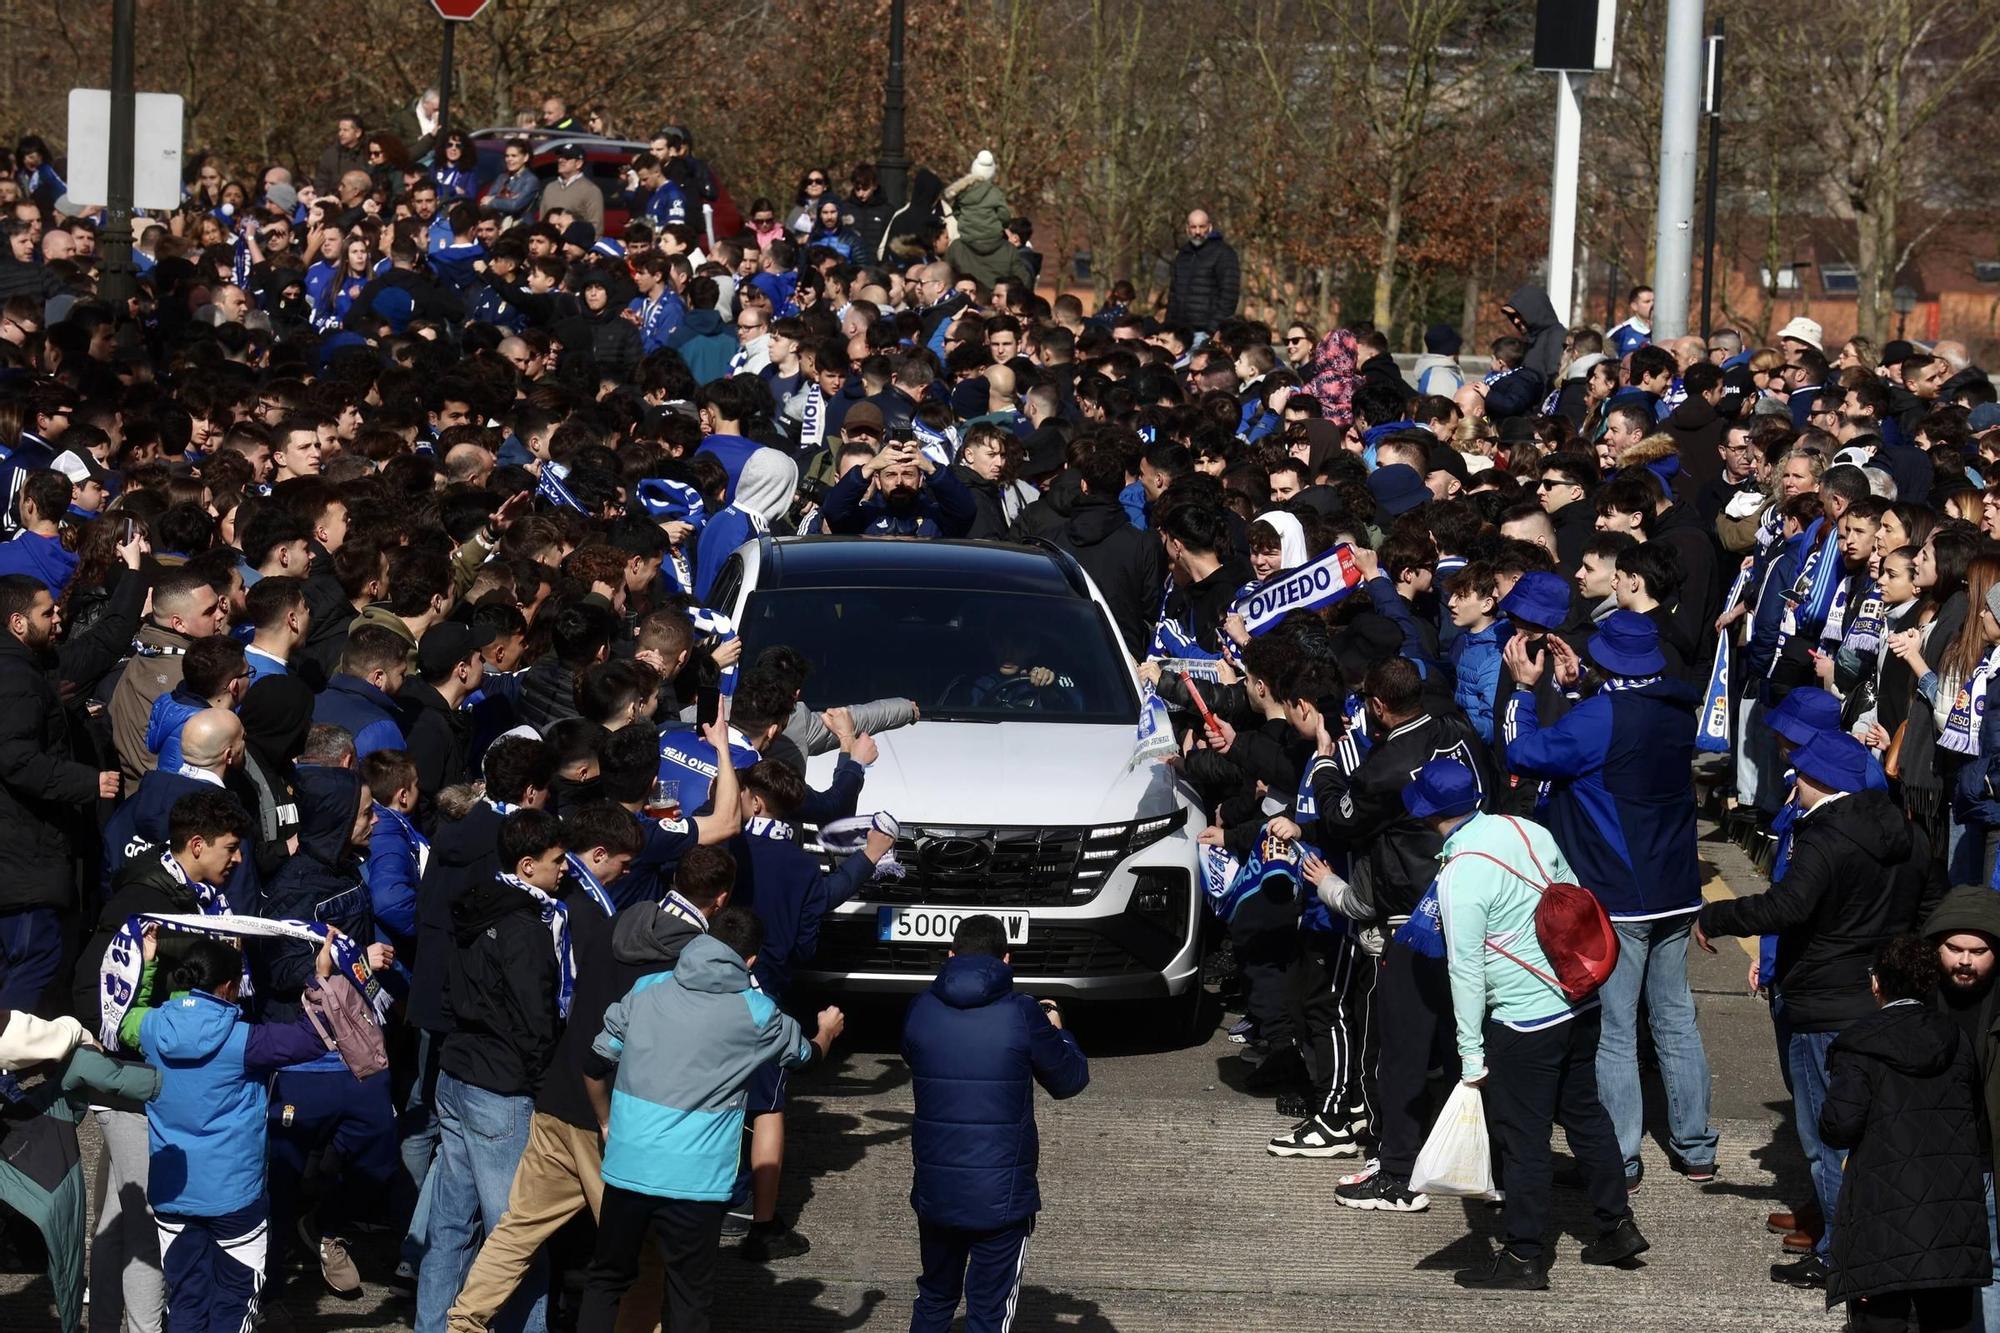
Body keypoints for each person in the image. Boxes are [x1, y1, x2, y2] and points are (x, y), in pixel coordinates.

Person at [1696, 729, 1934, 1290]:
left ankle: (1840, 1254)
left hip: (1825, 1003)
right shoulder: (1909, 834)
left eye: (1798, 773)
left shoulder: (1824, 836)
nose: (1792, 782)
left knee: (1828, 1136)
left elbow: (1790, 904)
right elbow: (1927, 904)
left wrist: (1717, 918)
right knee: (1873, 1133)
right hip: (1884, 997)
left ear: (1817, 780)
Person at [1410, 759, 1648, 1289]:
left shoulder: (1460, 874)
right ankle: (1615, 1226)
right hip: (1580, 1002)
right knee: (1586, 1116)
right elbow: (1573, 896)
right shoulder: (1529, 829)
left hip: (1524, 1023)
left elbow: (1466, 972)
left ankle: (1524, 1256)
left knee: (1525, 1141)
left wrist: (1471, 1056)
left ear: (1428, 816)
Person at [1501, 609, 1717, 1187]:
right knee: (1676, 1018)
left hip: (1621, 893)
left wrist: (1525, 690)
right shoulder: (1675, 707)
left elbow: (1524, 755)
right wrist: (1586, 689)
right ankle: (1695, 1145)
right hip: (1677, 889)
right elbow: (1623, 725)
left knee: (1616, 1029)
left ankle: (1621, 1155)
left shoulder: (1600, 717)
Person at [574, 905, 844, 1333]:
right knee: (688, 1296)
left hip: (629, 1169)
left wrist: (607, 1122)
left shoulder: (647, 989)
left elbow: (593, 1066)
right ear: (750, 960)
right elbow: (805, 1058)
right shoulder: (757, 1013)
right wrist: (827, 1030)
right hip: (696, 1185)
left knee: (606, 1278)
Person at [122, 926, 340, 1333]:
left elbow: (125, 1016)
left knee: (184, 1303)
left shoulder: (150, 1028)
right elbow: (315, 1039)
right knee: (235, 1306)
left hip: (173, 1193)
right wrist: (320, 977)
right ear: (228, 986)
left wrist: (148, 966)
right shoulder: (247, 1041)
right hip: (235, 1197)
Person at [902, 912, 1089, 1331]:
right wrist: (1057, 1028)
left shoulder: (921, 1009)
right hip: (1000, 1198)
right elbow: (1070, 1080)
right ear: (1007, 959)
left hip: (937, 1189)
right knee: (990, 1313)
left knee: (935, 1296)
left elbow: (913, 1055)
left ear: (949, 955)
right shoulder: (1022, 1013)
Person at [1820, 935, 1989, 1331]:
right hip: (1951, 1211)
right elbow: (1974, 1114)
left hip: (1880, 1210)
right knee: (1949, 1320)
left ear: (1876, 983)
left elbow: (1838, 1126)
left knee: (1880, 1319)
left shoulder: (1860, 1044)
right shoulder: (1957, 1040)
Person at [1165, 209, 1240, 333]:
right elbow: (1173, 295)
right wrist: (1168, 327)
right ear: (1187, 229)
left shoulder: (1224, 254)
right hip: (1180, 330)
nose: (1198, 231)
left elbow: (1229, 296)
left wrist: (1212, 329)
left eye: (1202, 226)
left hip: (1205, 331)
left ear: (1209, 228)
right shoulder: (1183, 255)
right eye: (1193, 227)